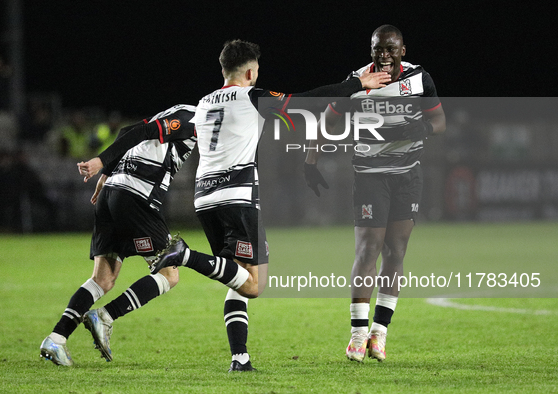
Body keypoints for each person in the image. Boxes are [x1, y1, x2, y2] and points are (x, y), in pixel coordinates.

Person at [151, 39, 391, 372]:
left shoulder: (203, 103)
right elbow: (305, 101)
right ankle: (184, 254)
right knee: (255, 284)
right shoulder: (251, 95)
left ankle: (240, 358)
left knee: (238, 277)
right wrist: (356, 85)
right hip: (237, 196)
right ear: (250, 71)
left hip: (204, 199)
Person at [304, 25, 446, 363]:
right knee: (368, 248)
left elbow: (440, 121)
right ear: (371, 50)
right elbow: (328, 120)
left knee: (396, 250)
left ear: (403, 50)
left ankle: (379, 334)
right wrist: (311, 160)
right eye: (377, 48)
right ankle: (356, 335)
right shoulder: (357, 81)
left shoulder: (420, 79)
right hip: (369, 175)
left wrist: (423, 127)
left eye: (390, 48)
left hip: (407, 175)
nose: (383, 54)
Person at [40, 104, 197, 366]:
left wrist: (107, 174)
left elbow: (127, 129)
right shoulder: (196, 118)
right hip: (136, 195)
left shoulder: (176, 111)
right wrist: (101, 162)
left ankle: (56, 338)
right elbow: (144, 131)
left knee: (103, 279)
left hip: (111, 192)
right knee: (169, 273)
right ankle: (106, 316)